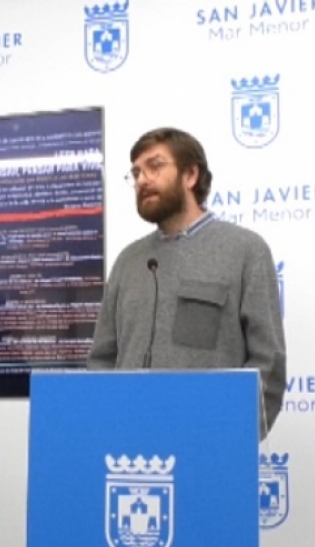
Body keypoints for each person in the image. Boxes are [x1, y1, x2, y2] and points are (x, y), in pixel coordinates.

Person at [87, 127, 287, 434]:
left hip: (210, 443)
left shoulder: (245, 251)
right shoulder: (128, 261)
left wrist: (237, 436)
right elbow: (102, 359)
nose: (142, 180)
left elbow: (267, 362)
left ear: (191, 175)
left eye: (154, 166)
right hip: (128, 444)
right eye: (136, 172)